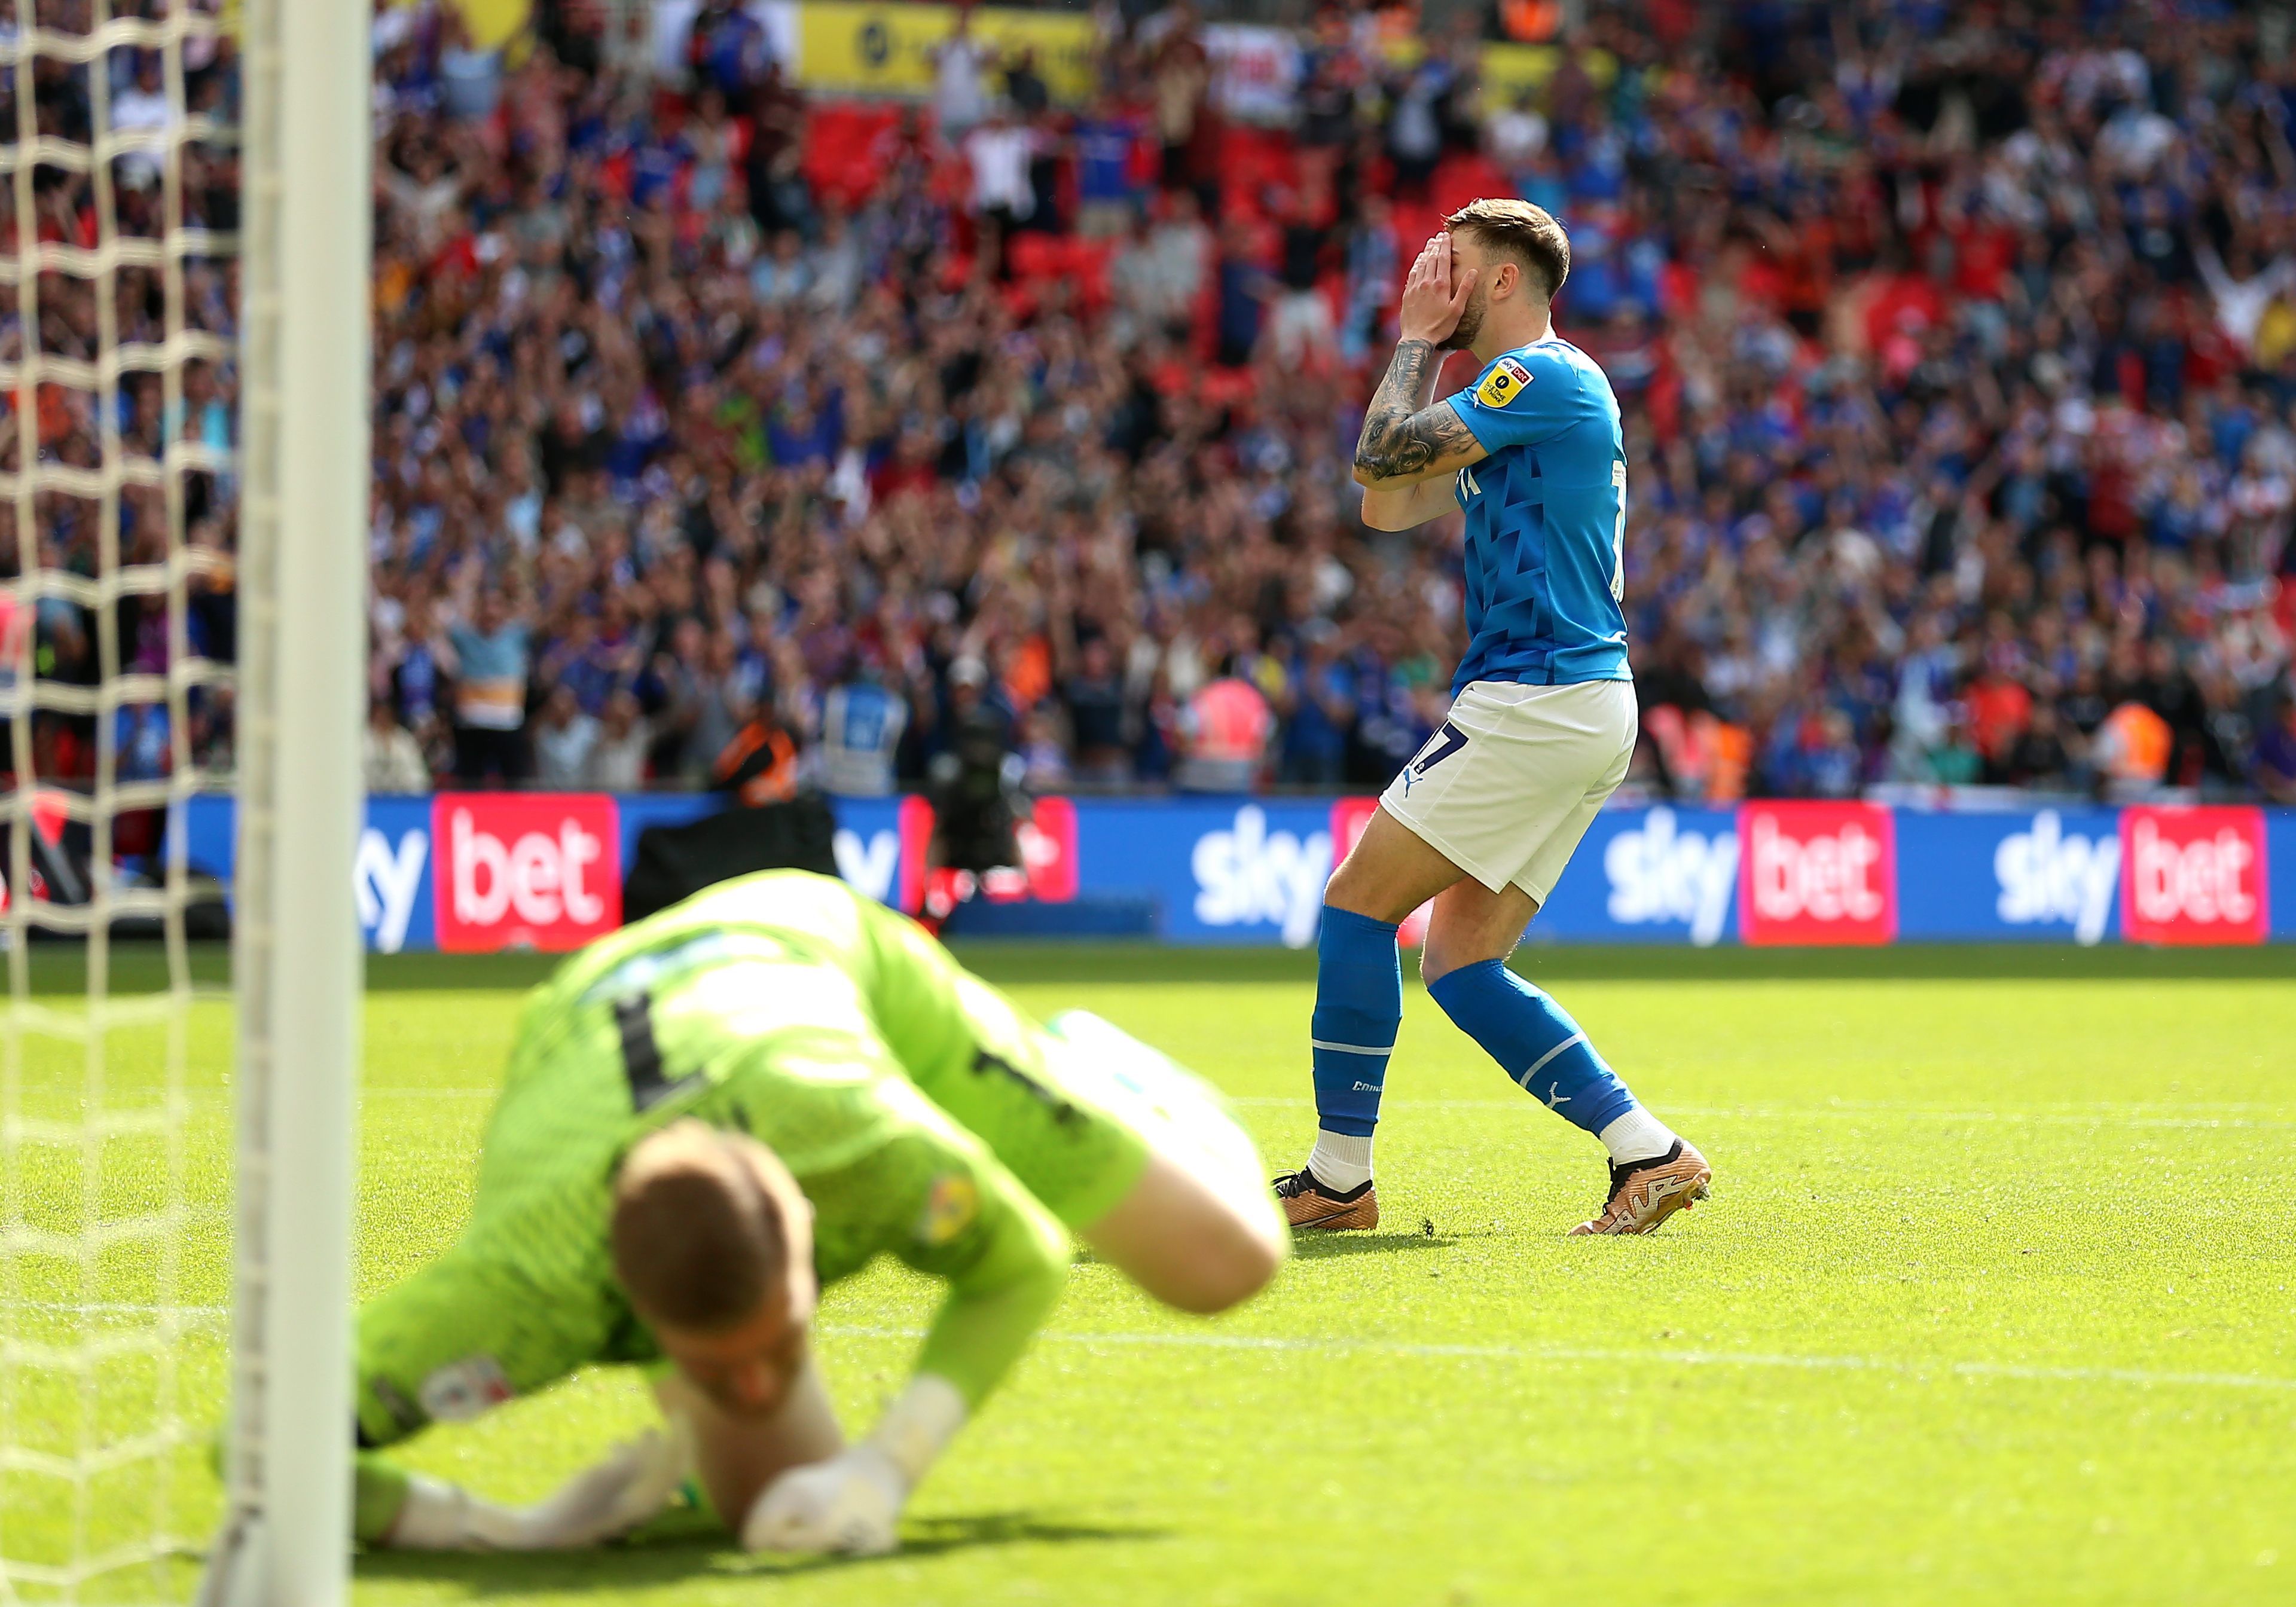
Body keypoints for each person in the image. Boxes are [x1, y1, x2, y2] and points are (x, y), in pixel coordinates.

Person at [349, 870, 1286, 1558]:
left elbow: (1023, 1257)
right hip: (585, 1013)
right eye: (718, 1370)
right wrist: (497, 1529)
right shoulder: (519, 1291)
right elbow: (257, 1457)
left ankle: (1093, 1075)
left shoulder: (863, 1149)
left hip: (811, 949)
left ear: (816, 1239)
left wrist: (890, 1463)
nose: (758, 1389)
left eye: (783, 1344)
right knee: (764, 1505)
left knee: (1228, 1264)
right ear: (632, 1321)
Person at [1277, 198, 1711, 1238]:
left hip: (1538, 690)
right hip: (1578, 697)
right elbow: (1382, 501)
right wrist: (1424, 363)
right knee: (1463, 967)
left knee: (1355, 904)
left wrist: (1412, 343)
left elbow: (1381, 455)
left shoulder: (1542, 376)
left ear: (1505, 280)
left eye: (1452, 263)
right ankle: (1647, 1152)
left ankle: (1340, 1181)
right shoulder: (1506, 408)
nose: (1433, 278)